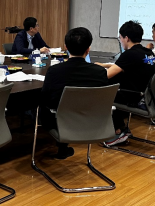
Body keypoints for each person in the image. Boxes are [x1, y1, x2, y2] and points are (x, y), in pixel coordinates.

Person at [40, 27, 109, 160]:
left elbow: (45, 99)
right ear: (88, 49)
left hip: (59, 122)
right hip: (93, 122)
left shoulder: (54, 71)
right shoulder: (100, 72)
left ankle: (61, 147)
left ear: (66, 47)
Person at [97, 21, 155, 147]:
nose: (121, 41)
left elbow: (106, 75)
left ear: (126, 38)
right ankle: (121, 128)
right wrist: (105, 65)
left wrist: (92, 70)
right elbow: (132, 68)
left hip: (136, 97)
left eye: (120, 38)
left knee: (104, 90)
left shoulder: (130, 54)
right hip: (150, 97)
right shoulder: (148, 53)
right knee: (116, 81)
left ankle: (117, 130)